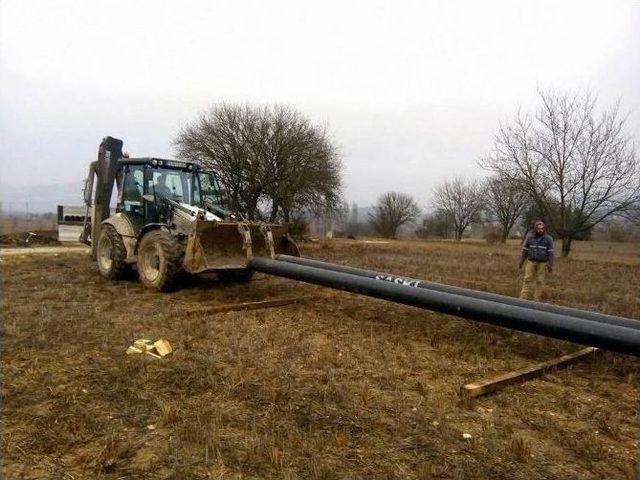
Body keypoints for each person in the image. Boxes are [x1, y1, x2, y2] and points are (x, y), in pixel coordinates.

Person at [519, 220, 554, 301]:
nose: (540, 230)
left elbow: (551, 253)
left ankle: (536, 298)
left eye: (542, 228)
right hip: (531, 261)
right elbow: (525, 250)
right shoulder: (530, 237)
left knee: (540, 281)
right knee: (527, 279)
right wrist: (521, 261)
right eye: (538, 228)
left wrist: (550, 264)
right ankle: (523, 296)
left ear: (544, 229)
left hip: (542, 263)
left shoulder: (548, 239)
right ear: (535, 229)